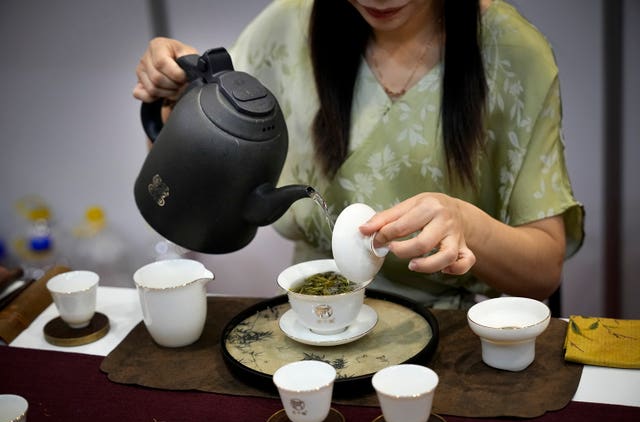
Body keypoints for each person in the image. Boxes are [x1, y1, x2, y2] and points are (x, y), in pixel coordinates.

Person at [133, 0, 584, 309]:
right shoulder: (287, 27)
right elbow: (194, 181)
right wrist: (175, 101)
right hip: (312, 316)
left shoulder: (512, 53)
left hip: (444, 338)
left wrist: (469, 226)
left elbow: (543, 269)